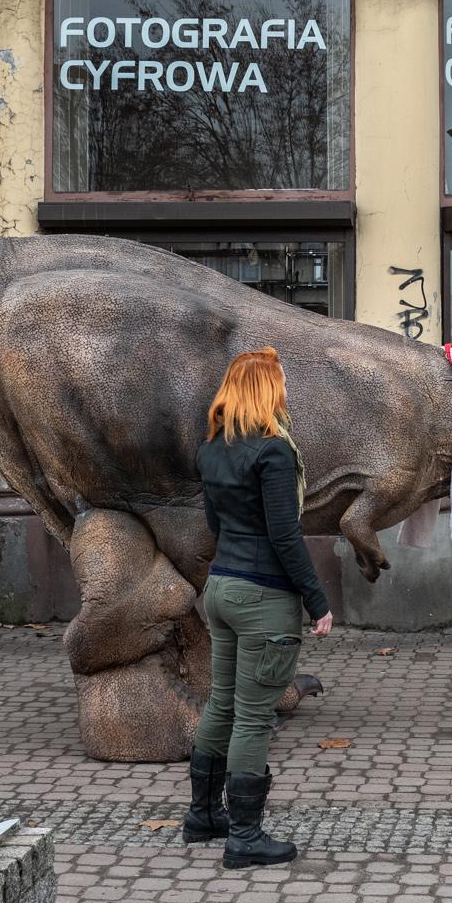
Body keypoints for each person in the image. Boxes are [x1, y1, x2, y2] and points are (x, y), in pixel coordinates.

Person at [182, 347, 333, 870]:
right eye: (281, 383)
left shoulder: (212, 451)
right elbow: (285, 535)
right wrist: (317, 601)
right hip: (262, 596)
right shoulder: (273, 452)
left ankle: (203, 817)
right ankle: (244, 837)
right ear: (268, 391)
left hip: (220, 589)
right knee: (252, 716)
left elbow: (217, 526)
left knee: (221, 704)